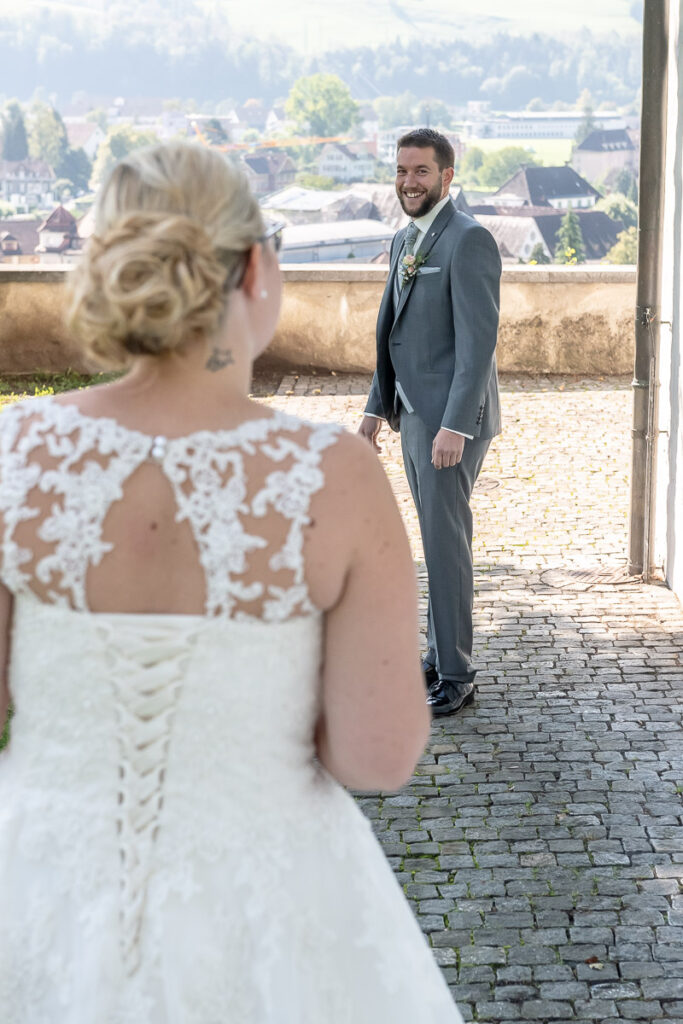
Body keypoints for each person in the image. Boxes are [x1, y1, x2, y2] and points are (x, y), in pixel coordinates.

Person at [0, 141, 463, 1022]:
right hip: (270, 904)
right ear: (254, 266)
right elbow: (375, 755)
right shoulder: (332, 476)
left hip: (35, 885)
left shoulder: (13, 455)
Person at [359, 128, 501, 717]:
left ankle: (458, 675)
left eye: (421, 172)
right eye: (401, 171)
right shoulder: (404, 240)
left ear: (446, 176)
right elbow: (392, 332)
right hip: (412, 415)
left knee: (447, 546)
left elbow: (478, 344)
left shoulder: (469, 240)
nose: (408, 182)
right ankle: (440, 654)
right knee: (434, 544)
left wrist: (456, 426)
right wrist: (374, 407)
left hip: (449, 424)